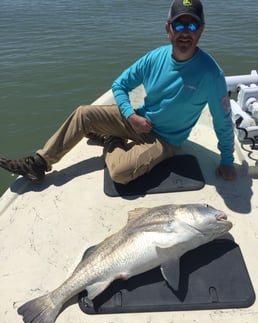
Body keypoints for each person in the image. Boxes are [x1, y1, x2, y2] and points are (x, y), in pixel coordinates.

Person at [0, 0, 236, 185]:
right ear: (168, 29)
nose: (186, 32)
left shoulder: (211, 74)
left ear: (201, 29)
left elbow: (222, 121)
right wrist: (131, 116)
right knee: (84, 114)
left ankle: (111, 138)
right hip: (138, 120)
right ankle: (39, 163)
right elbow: (119, 85)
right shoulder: (155, 58)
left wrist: (227, 160)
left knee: (121, 173)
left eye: (192, 25)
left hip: (166, 141)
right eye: (179, 24)